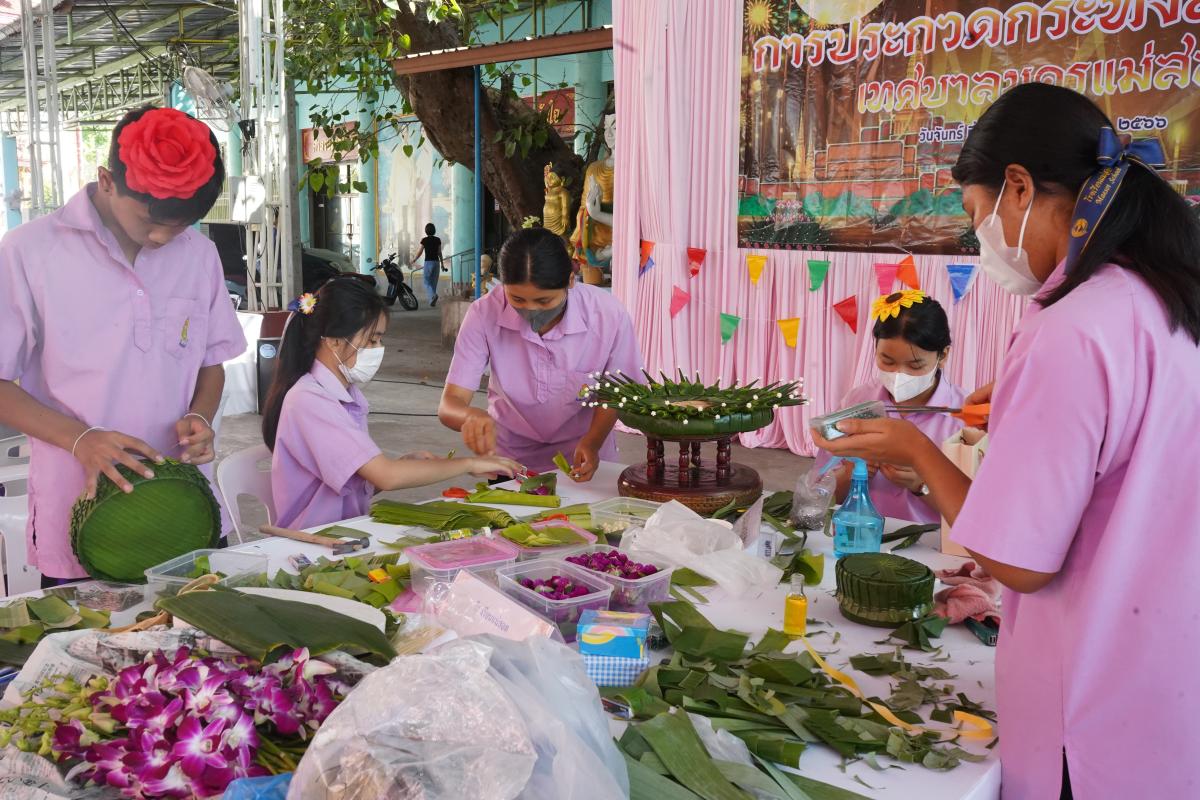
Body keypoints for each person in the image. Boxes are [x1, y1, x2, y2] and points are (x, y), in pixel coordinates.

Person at [813, 83, 1200, 799]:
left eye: (974, 214)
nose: (979, 239)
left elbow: (1018, 563)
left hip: (1089, 708)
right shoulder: (1166, 303)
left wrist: (916, 451)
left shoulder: (1072, 328)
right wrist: (1025, 416)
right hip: (1168, 685)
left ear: (1018, 187)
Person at [0, 107, 247, 586]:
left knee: (199, 631)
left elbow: (211, 361)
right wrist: (81, 439)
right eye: (151, 222)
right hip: (85, 515)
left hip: (184, 509)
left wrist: (200, 415)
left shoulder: (198, 254)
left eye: (180, 225)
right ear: (106, 181)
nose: (164, 238)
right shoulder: (29, 252)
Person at [262, 277, 519, 530]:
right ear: (334, 340)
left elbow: (362, 480)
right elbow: (387, 476)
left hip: (344, 532)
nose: (378, 349)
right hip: (313, 540)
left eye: (380, 340)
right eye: (372, 340)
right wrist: (469, 464)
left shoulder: (341, 393)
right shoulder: (309, 400)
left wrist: (407, 463)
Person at [439, 227, 643, 480]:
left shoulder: (607, 314)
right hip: (510, 461)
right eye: (517, 299)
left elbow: (617, 393)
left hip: (583, 456)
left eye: (544, 301)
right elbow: (450, 403)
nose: (531, 310)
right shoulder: (483, 313)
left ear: (570, 281)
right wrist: (471, 416)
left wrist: (593, 441)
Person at [815, 290, 964, 524]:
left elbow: (978, 517)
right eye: (887, 361)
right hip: (859, 534)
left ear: (943, 355)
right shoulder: (857, 402)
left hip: (931, 542)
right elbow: (819, 497)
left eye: (915, 365)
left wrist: (921, 485)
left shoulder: (963, 416)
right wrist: (850, 474)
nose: (898, 375)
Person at [410, 222, 442, 307]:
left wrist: (414, 259)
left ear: (426, 231)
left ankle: (433, 296)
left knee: (427, 282)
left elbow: (420, 252)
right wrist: (442, 264)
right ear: (434, 230)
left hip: (428, 262)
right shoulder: (438, 240)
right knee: (433, 283)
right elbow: (439, 253)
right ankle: (432, 300)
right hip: (436, 262)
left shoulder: (424, 240)